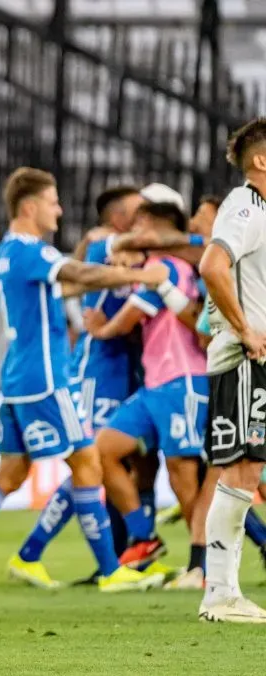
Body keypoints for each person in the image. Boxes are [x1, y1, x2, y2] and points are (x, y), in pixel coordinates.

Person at [0, 167, 168, 594]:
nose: (59, 209)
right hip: (47, 378)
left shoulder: (7, 252)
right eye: (54, 201)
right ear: (30, 206)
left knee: (12, 473)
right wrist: (139, 277)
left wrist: (102, 267)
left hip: (20, 376)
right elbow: (83, 275)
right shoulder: (29, 250)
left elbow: (66, 287)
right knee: (86, 462)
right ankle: (111, 570)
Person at [83, 203, 206, 570]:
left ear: (153, 228)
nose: (131, 229)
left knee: (184, 476)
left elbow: (130, 318)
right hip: (155, 385)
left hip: (183, 381)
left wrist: (101, 329)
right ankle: (145, 536)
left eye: (138, 223)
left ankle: (204, 565)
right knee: (103, 450)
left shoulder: (167, 267)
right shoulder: (158, 267)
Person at [197, 117, 266, 622]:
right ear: (261, 161)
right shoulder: (245, 205)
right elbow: (212, 266)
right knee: (243, 470)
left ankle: (222, 590)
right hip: (246, 361)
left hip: (255, 359)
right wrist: (245, 330)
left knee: (250, 471)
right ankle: (219, 593)